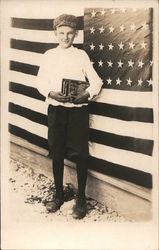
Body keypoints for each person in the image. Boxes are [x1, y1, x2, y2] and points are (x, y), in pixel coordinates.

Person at [37, 14, 103, 219]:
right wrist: (51, 93)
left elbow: (97, 82)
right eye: (62, 33)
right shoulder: (48, 55)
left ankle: (81, 199)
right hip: (56, 111)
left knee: (81, 155)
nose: (65, 37)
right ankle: (58, 195)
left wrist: (86, 94)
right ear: (55, 33)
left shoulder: (81, 55)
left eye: (70, 33)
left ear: (75, 34)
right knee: (57, 152)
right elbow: (40, 82)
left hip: (78, 112)